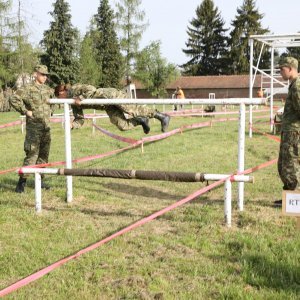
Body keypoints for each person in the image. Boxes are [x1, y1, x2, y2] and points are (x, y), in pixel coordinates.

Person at [55, 84, 170, 134]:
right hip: (106, 105)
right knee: (122, 125)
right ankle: (141, 120)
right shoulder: (72, 103)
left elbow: (92, 89)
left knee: (132, 110)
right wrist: (72, 125)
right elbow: (79, 119)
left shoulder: (74, 89)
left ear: (62, 92)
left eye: (58, 97)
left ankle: (162, 116)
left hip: (110, 96)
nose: (60, 100)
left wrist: (80, 97)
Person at [9, 64, 54, 193]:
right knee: (32, 156)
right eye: (43, 74)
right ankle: (21, 183)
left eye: (46, 75)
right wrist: (25, 111)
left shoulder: (48, 89)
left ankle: (39, 181)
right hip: (34, 129)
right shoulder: (27, 88)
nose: (45, 77)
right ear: (36, 74)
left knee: (44, 156)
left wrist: (51, 111)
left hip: (46, 128)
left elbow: (53, 102)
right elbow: (13, 99)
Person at [275, 56, 300, 207]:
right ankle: (288, 198)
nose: (280, 73)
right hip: (289, 131)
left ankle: (294, 201)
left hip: (293, 132)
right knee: (284, 165)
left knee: (290, 166)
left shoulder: (297, 86)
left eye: (282, 69)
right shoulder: (293, 85)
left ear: (290, 69)